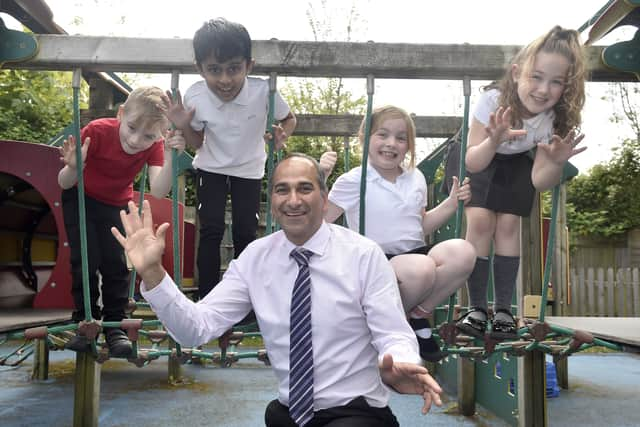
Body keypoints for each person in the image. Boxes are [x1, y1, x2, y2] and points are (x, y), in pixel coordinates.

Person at [112, 153, 443, 426]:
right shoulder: (256, 259)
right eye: (282, 190)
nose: (293, 200)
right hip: (290, 413)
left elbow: (393, 332)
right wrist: (153, 273)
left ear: (324, 198)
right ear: (272, 202)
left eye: (305, 189)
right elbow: (196, 329)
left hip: (354, 412)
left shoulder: (363, 255)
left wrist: (399, 361)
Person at [452, 26, 587, 340]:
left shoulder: (553, 118)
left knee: (510, 224)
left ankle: (503, 309)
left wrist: (555, 161)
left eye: (556, 82)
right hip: (479, 155)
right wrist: (494, 138)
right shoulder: (492, 100)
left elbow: (540, 181)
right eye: (536, 77)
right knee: (482, 221)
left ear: (566, 87)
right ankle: (476, 308)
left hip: (516, 164)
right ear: (516, 73)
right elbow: (473, 161)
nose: (543, 89)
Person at [321, 106, 476, 363]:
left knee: (464, 251)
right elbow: (321, 221)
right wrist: (321, 178)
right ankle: (384, 323)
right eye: (382, 135)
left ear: (409, 146)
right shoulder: (353, 180)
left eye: (401, 138)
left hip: (413, 255)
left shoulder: (415, 178)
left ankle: (418, 315)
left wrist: (451, 203)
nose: (391, 143)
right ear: (365, 137)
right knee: (422, 269)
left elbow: (420, 225)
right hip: (375, 262)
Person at [166, 18, 297, 301]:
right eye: (214, 70)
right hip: (211, 167)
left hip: (249, 169)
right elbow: (197, 142)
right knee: (211, 229)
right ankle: (209, 298)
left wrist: (280, 137)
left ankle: (244, 298)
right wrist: (183, 125)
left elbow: (288, 118)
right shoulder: (196, 95)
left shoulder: (263, 91)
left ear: (248, 66)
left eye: (233, 69)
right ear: (199, 69)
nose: (224, 80)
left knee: (245, 232)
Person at [58, 86, 185, 357]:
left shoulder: (155, 146)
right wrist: (72, 167)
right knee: (86, 258)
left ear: (161, 134)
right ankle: (83, 319)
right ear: (121, 113)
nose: (137, 140)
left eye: (149, 135)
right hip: (81, 198)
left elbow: (160, 190)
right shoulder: (97, 131)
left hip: (116, 204)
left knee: (118, 263)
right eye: (131, 128)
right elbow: (63, 182)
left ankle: (114, 327)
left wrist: (173, 157)